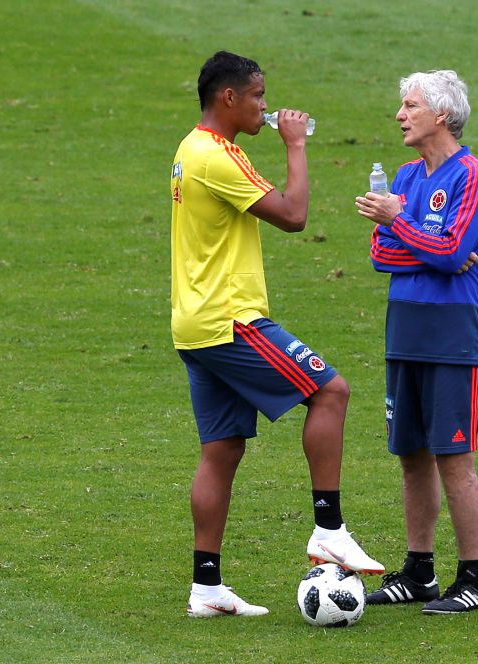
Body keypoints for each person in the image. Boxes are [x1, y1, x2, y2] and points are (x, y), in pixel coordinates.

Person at [170, 51, 384, 619]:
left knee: (221, 450)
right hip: (231, 319)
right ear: (229, 98)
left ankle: (206, 587)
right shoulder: (215, 156)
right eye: (260, 97)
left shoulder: (193, 149)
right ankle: (328, 529)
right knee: (331, 391)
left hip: (194, 323)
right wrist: (295, 144)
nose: (268, 107)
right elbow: (293, 215)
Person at [354, 70, 478, 614]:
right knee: (410, 456)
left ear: (441, 114)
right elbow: (380, 255)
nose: (399, 115)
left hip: (451, 336)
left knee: (452, 457)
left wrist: (403, 222)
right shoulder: (407, 174)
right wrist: (437, 248)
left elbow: (449, 246)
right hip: (404, 332)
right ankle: (419, 572)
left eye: (410, 105)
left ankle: (473, 580)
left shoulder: (475, 175)